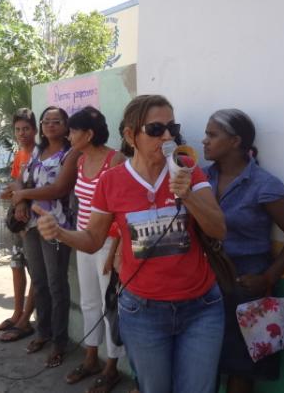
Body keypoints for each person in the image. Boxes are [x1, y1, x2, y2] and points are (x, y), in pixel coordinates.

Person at [35, 95, 226, 393]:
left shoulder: (186, 167)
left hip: (201, 308)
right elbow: (92, 239)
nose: (166, 136)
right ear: (130, 135)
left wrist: (187, 195)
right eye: (155, 129)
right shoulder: (111, 181)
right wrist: (60, 233)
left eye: (171, 128)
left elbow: (219, 229)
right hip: (144, 311)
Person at [202, 109, 284, 393]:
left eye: (212, 135)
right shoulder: (201, 179)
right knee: (203, 359)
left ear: (236, 141)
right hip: (204, 283)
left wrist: (267, 278)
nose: (204, 141)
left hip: (244, 286)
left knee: (241, 368)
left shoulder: (263, 184)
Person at [9, 106, 79, 368]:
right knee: (38, 282)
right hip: (31, 225)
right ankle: (43, 332)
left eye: (56, 121)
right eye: (46, 120)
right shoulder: (37, 151)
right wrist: (19, 200)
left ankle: (59, 342)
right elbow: (20, 180)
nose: (50, 125)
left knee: (56, 284)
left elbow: (59, 188)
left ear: (65, 125)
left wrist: (24, 196)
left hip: (56, 225)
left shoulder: (70, 154)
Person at [62, 106, 126, 392]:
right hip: (84, 240)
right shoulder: (79, 160)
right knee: (89, 300)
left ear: (88, 134)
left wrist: (113, 253)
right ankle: (91, 357)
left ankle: (111, 365)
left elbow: (121, 212)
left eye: (73, 130)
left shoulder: (116, 161)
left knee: (109, 305)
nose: (69, 134)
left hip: (108, 243)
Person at [0, 108, 38, 342]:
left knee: (35, 270)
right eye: (18, 130)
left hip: (33, 221)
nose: (22, 133)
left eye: (26, 129)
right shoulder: (20, 154)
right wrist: (14, 193)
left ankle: (26, 320)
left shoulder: (40, 154)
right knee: (16, 265)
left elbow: (35, 186)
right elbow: (16, 181)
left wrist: (20, 197)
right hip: (17, 220)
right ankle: (17, 313)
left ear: (34, 130)